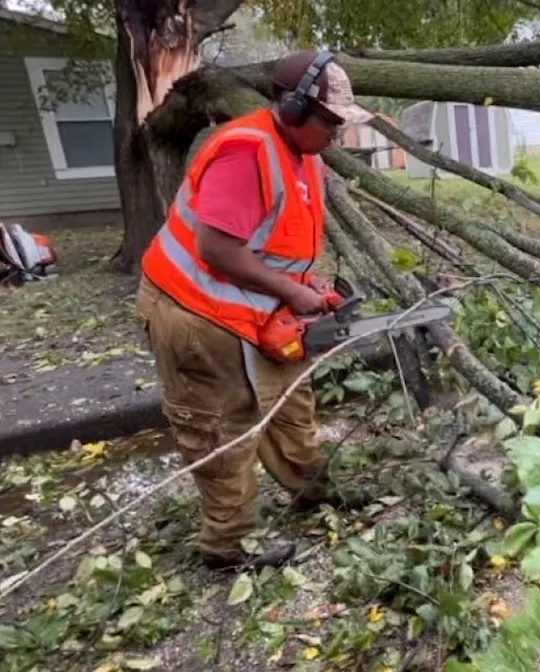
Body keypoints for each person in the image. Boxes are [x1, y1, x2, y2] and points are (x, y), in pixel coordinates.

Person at [136, 49, 374, 572]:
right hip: (196, 313)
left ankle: (310, 489)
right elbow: (217, 248)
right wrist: (292, 294)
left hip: (254, 306)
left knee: (291, 400)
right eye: (330, 121)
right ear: (291, 110)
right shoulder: (246, 152)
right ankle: (226, 547)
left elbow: (273, 241)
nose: (337, 133)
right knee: (224, 429)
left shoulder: (302, 154)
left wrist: (308, 285)